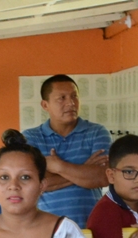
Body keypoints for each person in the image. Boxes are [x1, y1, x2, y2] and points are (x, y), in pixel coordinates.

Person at [21, 75, 111, 228]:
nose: (71, 103)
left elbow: (104, 177)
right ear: (45, 105)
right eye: (61, 98)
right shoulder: (31, 137)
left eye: (74, 96)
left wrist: (59, 167)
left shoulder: (97, 132)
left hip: (91, 227)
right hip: (46, 229)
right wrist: (85, 168)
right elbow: (34, 183)